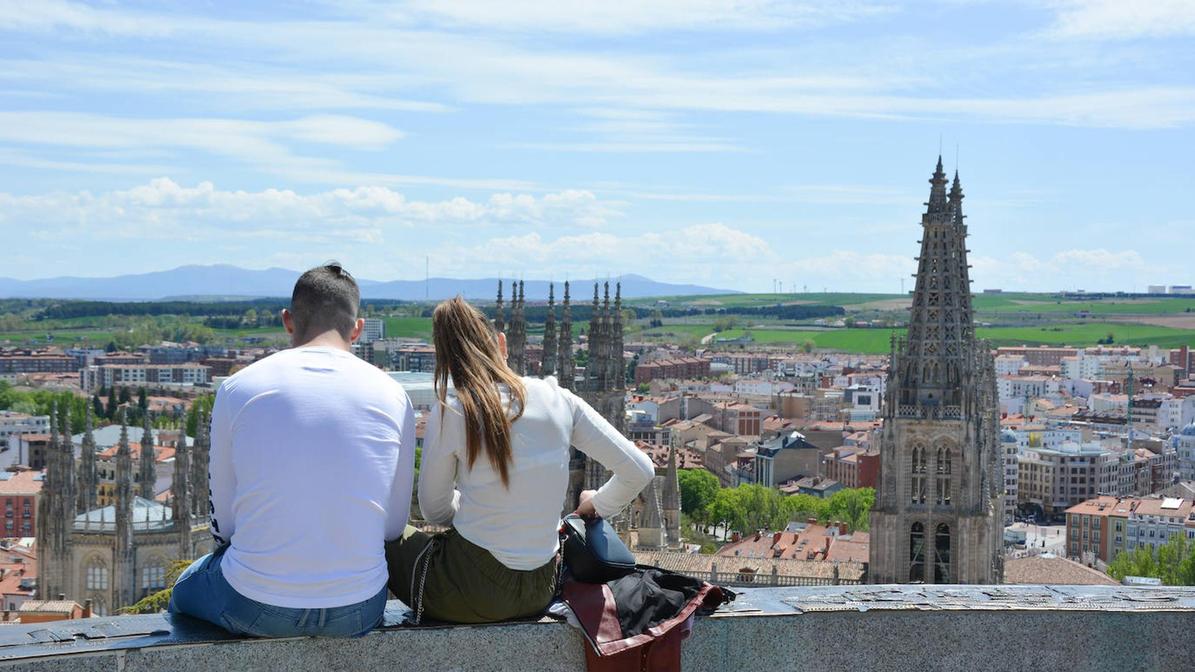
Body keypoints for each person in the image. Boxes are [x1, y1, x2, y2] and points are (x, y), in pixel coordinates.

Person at [170, 263, 416, 638]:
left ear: (287, 320)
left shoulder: (238, 388)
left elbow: (223, 523)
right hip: (360, 608)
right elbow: (394, 525)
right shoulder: (394, 394)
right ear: (358, 328)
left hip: (252, 605)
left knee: (185, 587)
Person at [385, 296, 655, 624]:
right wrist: (596, 503)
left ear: (446, 361)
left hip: (470, 594)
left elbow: (434, 509)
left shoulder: (453, 409)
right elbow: (640, 469)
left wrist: (475, 506)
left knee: (385, 529)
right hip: (540, 589)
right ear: (502, 343)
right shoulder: (560, 398)